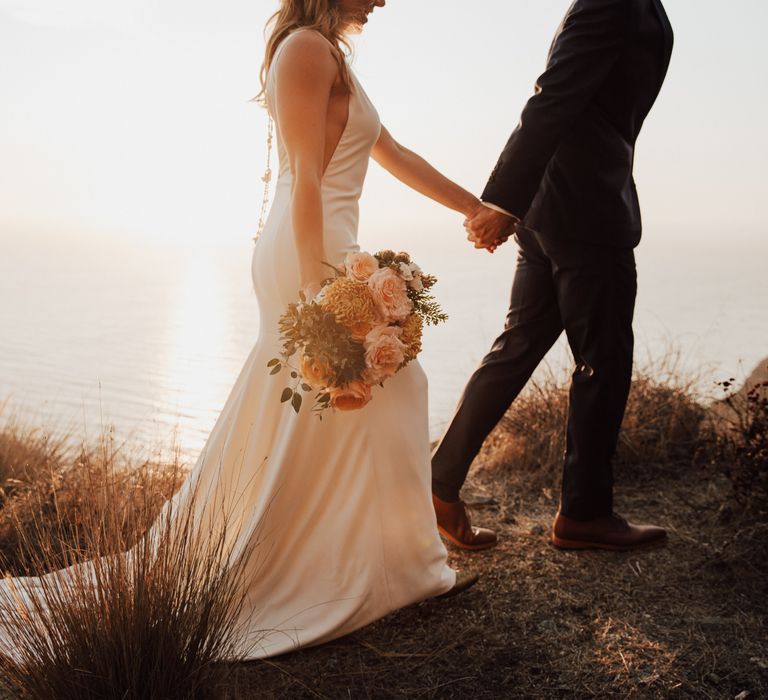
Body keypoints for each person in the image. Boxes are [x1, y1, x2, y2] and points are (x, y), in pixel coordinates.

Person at [0, 0, 489, 660]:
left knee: (352, 403)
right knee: (375, 389)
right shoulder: (305, 50)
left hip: (331, 247)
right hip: (306, 250)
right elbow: (308, 174)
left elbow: (393, 151)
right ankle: (349, 570)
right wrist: (319, 285)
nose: (383, 0)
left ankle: (373, 566)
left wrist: (475, 207)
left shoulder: (330, 52)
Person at [432, 0, 674, 552]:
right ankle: (585, 514)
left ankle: (439, 480)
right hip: (583, 210)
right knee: (604, 360)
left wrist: (517, 202)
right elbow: (553, 97)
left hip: (553, 207)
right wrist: (501, 200)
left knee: (517, 346)